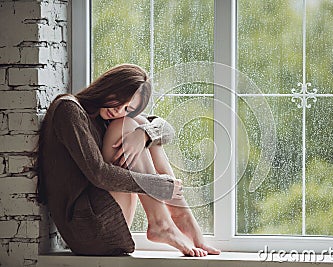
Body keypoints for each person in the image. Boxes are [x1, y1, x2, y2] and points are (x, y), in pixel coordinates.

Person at [35, 64, 220, 257]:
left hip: (107, 217)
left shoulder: (106, 116)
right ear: (110, 86)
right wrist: (158, 186)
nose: (118, 110)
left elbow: (165, 129)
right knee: (126, 126)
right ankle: (162, 223)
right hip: (87, 228)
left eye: (127, 108)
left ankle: (180, 216)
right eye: (119, 101)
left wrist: (144, 135)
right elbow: (98, 174)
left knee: (139, 125)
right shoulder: (69, 109)